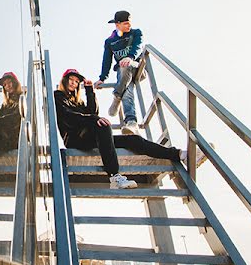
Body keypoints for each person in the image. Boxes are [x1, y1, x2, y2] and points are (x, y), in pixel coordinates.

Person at [55, 68, 185, 189]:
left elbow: (93, 113)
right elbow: (68, 117)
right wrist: (94, 119)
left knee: (132, 140)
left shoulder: (78, 102)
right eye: (71, 79)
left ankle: (176, 154)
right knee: (103, 126)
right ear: (65, 80)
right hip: (74, 139)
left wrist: (90, 91)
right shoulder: (58, 95)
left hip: (89, 137)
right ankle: (114, 176)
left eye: (77, 81)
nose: (74, 83)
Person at [93, 10, 143, 135]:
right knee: (128, 87)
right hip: (123, 73)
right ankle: (132, 123)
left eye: (129, 23)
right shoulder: (110, 41)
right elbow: (107, 60)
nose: (129, 26)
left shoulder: (136, 33)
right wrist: (102, 78)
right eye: (125, 23)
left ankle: (117, 96)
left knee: (125, 66)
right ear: (117, 25)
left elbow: (138, 46)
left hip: (136, 67)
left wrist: (130, 57)